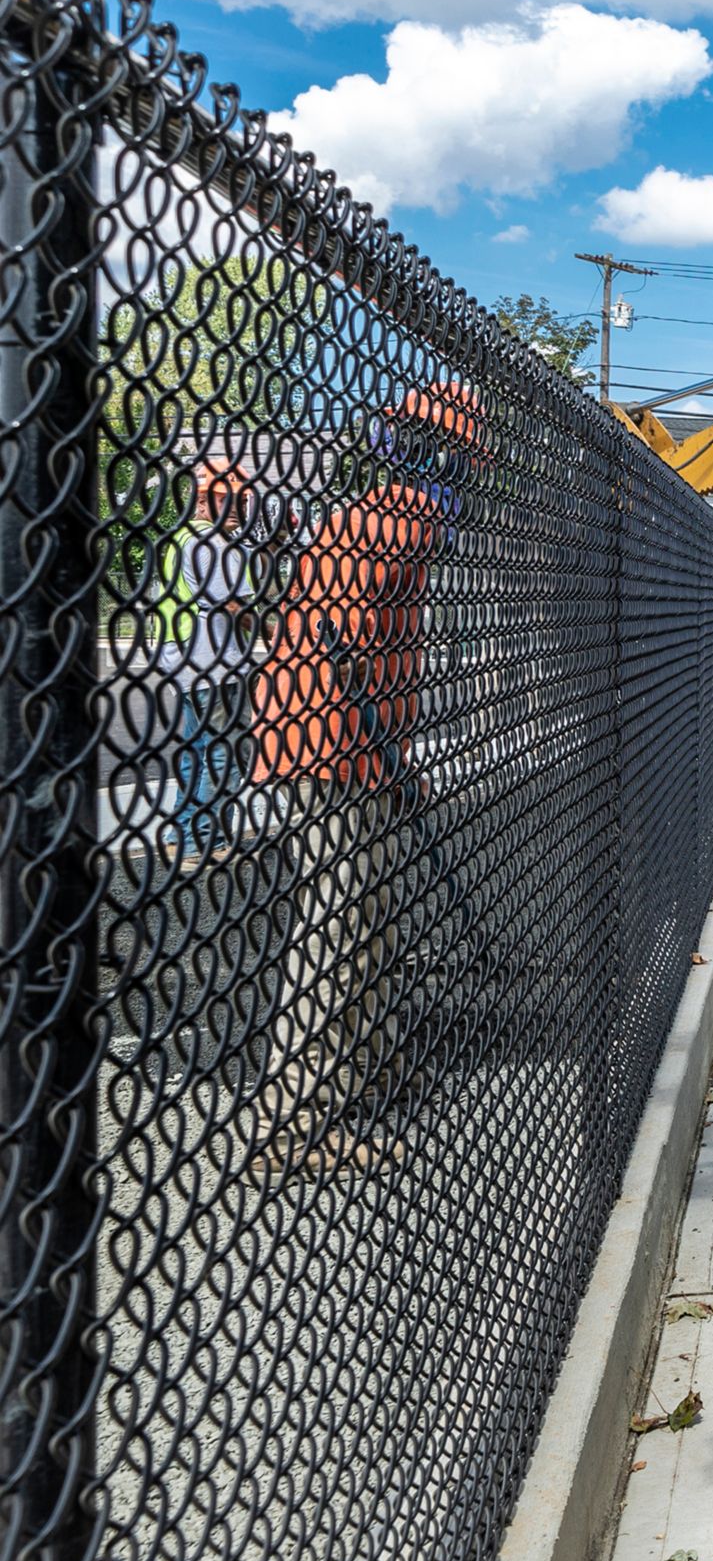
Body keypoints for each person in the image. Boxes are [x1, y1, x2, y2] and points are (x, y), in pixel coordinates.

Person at [246, 381, 480, 1176]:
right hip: (329, 742)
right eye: (458, 457)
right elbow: (337, 634)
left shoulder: (371, 507)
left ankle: (363, 1071)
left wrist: (392, 751)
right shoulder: (401, 511)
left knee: (371, 918)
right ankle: (295, 1121)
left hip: (354, 743)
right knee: (337, 926)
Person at [155, 457, 262, 860]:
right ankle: (207, 838)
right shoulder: (217, 544)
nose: (235, 508)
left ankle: (181, 835)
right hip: (216, 663)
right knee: (224, 750)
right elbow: (236, 605)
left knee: (195, 748)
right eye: (224, 499)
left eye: (240, 501)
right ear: (203, 501)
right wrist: (280, 633)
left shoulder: (181, 538)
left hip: (184, 661)